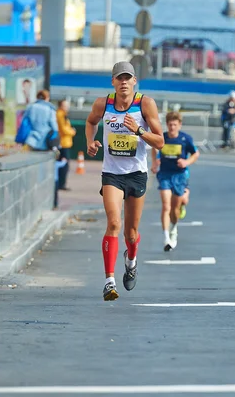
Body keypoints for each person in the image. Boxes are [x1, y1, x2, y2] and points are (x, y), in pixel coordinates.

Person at [85, 61, 164, 301]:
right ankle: (109, 281)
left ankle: (131, 261)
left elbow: (160, 141)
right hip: (112, 174)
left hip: (137, 174)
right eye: (119, 78)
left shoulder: (145, 104)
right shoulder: (103, 103)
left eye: (127, 78)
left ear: (134, 82)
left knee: (130, 233)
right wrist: (91, 141)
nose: (123, 83)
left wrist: (138, 131)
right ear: (113, 82)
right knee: (113, 224)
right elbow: (91, 123)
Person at [151, 111, 200, 251]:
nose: (172, 127)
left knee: (176, 207)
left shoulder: (185, 139)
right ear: (167, 125)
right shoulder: (163, 138)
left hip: (180, 175)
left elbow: (196, 153)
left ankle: (174, 228)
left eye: (175, 125)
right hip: (165, 174)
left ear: (179, 125)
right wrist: (155, 163)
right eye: (170, 125)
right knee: (166, 206)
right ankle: (166, 237)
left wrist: (186, 162)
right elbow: (155, 148)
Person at [56, 100, 76, 190]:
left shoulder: (63, 114)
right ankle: (61, 184)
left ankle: (61, 183)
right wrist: (72, 131)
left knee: (64, 164)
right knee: (64, 164)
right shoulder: (60, 115)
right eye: (65, 105)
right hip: (63, 143)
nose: (67, 107)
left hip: (65, 142)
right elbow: (63, 129)